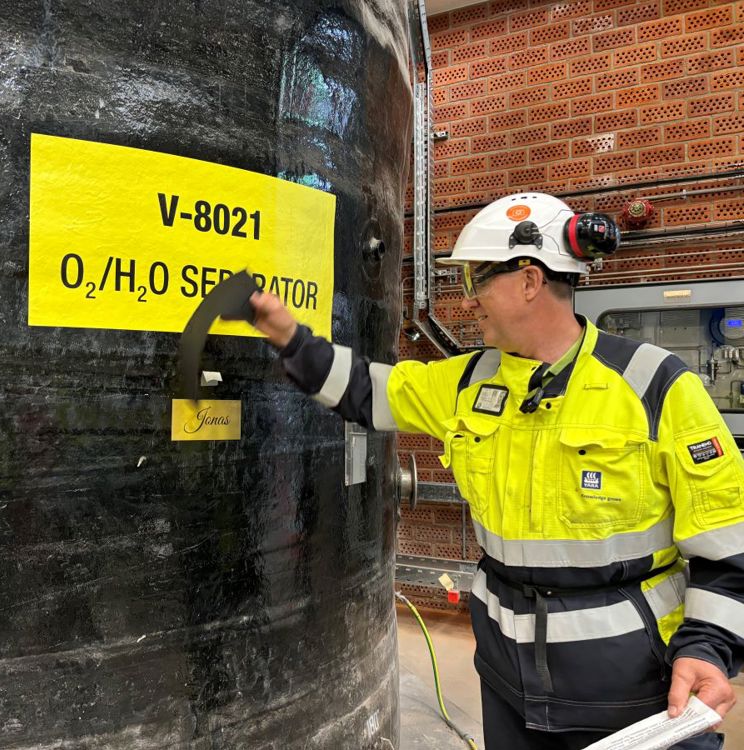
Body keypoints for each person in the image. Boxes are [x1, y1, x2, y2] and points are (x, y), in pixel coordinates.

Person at [248, 192, 744, 749]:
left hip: (637, 692)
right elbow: (367, 390)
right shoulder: (467, 382)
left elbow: (727, 548)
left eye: (473, 282)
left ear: (529, 281)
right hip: (507, 682)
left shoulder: (656, 385)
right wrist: (287, 334)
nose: (466, 302)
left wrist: (707, 649)